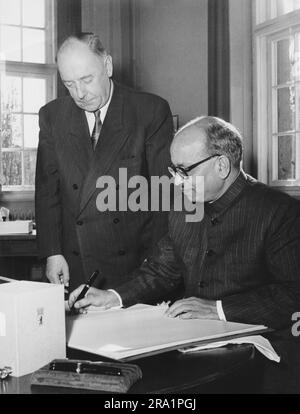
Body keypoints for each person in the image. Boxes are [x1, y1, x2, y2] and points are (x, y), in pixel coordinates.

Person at [69, 116, 300, 392]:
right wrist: (112, 297)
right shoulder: (184, 207)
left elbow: (294, 293)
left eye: (184, 170)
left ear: (222, 165)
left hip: (264, 353)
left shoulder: (279, 212)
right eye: (174, 171)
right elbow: (161, 269)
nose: (178, 183)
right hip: (194, 347)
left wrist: (218, 309)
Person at [35, 32, 173, 292]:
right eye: (69, 84)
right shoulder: (52, 117)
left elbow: (163, 197)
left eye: (87, 80)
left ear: (107, 66)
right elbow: (47, 192)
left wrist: (157, 266)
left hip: (134, 266)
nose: (80, 93)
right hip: (74, 260)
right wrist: (52, 252)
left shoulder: (150, 111)